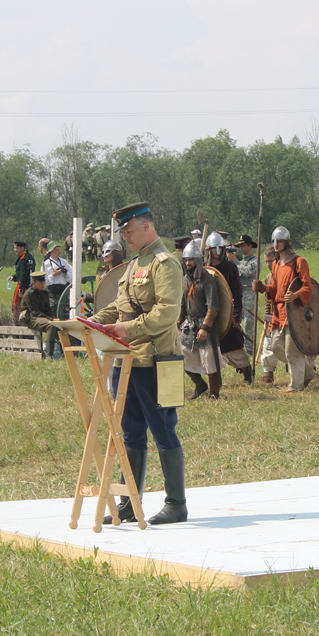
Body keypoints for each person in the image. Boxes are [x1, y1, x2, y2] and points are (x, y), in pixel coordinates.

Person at [91, 202, 187, 525]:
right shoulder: (133, 265)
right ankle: (130, 503)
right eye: (124, 233)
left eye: (129, 231)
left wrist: (126, 329)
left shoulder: (166, 264)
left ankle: (176, 504)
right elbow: (119, 308)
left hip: (156, 360)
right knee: (130, 432)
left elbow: (167, 313)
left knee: (163, 429)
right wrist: (91, 322)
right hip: (126, 360)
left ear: (146, 226)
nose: (126, 238)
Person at [252, 227, 317, 393]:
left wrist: (296, 295)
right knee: (275, 346)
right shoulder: (275, 264)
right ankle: (308, 372)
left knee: (291, 350)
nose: (275, 244)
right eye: (274, 241)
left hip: (294, 311)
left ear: (286, 242)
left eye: (279, 241)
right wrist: (264, 288)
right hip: (279, 312)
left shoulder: (299, 262)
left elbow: (308, 287)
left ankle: (295, 386)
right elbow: (276, 288)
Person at [205, 232, 253, 384]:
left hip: (226, 312)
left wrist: (235, 316)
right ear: (209, 249)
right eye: (214, 248)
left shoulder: (230, 267)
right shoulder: (204, 268)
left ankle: (246, 369)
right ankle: (215, 379)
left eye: (220, 248)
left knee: (233, 344)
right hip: (209, 312)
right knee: (210, 346)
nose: (217, 251)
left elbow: (237, 293)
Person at [179, 240, 223, 400]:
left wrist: (205, 328)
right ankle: (199, 384)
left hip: (205, 324)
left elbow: (213, 307)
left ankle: (214, 392)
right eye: (186, 260)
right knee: (182, 355)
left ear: (198, 260)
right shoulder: (186, 279)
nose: (188, 263)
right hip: (189, 324)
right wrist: (179, 322)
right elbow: (183, 304)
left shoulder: (207, 280)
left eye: (191, 260)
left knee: (209, 359)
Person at [19, 271, 61, 358]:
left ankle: (64, 351)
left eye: (44, 281)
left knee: (61, 324)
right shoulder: (29, 294)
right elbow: (36, 312)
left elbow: (48, 310)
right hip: (32, 319)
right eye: (40, 282)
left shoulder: (44, 293)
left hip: (42, 317)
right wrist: (52, 320)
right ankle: (49, 355)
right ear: (34, 282)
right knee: (51, 326)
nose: (43, 283)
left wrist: (54, 319)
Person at [257, 245, 279, 384]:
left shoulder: (286, 275)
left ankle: (309, 369)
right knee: (268, 343)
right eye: (266, 261)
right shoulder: (268, 278)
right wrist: (267, 316)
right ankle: (268, 372)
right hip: (273, 316)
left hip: (287, 316)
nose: (268, 264)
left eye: (270, 261)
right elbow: (267, 300)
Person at [235, 234, 259, 361]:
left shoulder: (255, 261)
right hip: (240, 292)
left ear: (250, 246)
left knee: (249, 322)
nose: (241, 248)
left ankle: (250, 348)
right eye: (240, 246)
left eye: (243, 245)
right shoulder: (241, 261)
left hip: (250, 293)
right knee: (236, 320)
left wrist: (235, 261)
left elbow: (248, 272)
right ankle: (238, 345)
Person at [43, 242, 73, 320]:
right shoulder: (46, 264)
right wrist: (54, 274)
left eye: (59, 250)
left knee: (65, 310)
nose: (59, 252)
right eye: (57, 250)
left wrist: (66, 273)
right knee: (53, 310)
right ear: (51, 251)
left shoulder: (64, 262)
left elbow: (72, 277)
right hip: (52, 291)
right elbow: (44, 282)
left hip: (63, 289)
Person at [8, 241, 35, 317]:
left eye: (16, 248)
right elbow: (21, 272)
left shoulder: (24, 258)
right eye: (14, 248)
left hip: (23, 284)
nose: (15, 250)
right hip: (27, 283)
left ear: (22, 248)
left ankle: (17, 318)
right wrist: (14, 277)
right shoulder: (27, 256)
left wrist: (21, 289)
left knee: (17, 303)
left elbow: (24, 274)